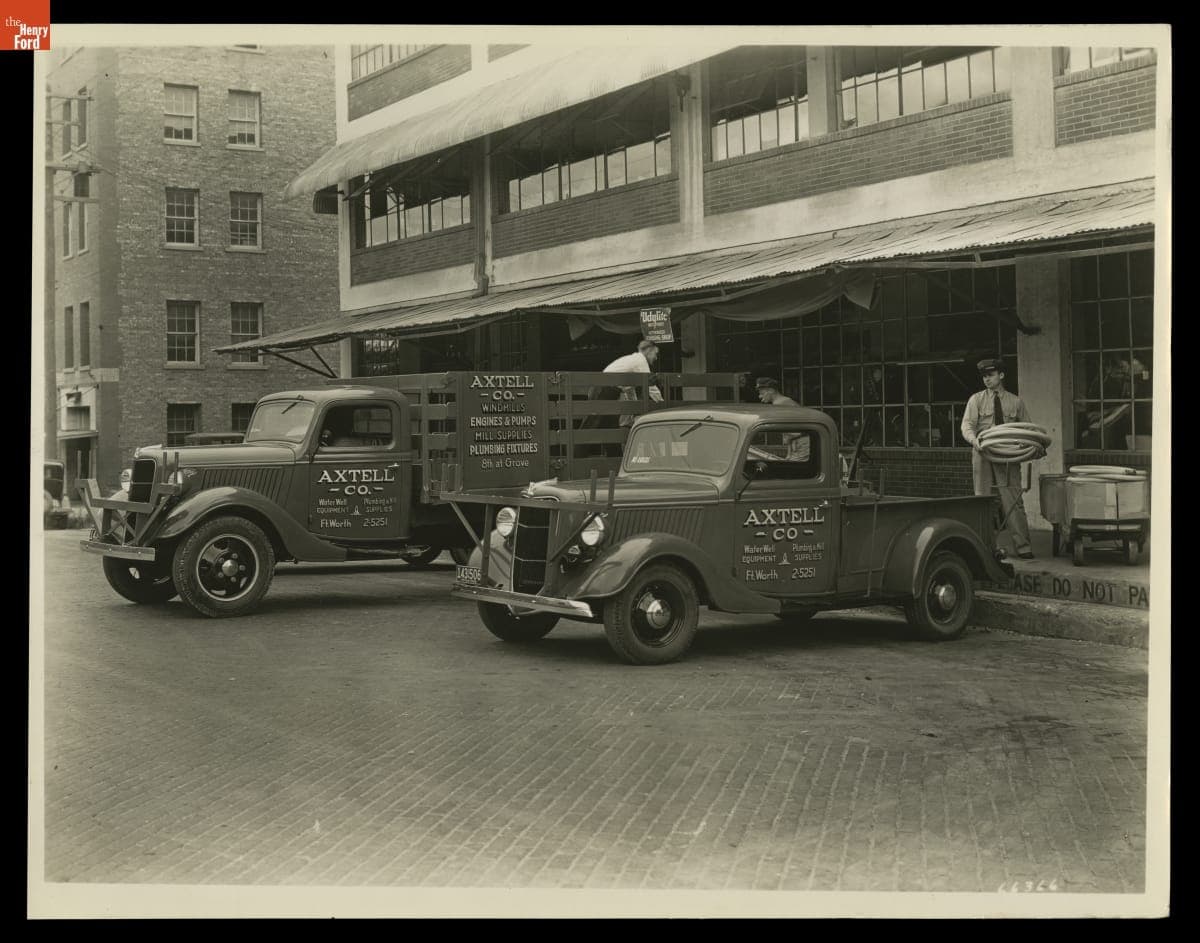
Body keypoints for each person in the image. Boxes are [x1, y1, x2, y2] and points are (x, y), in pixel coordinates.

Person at [960, 357, 1034, 560]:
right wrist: (975, 441)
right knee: (981, 500)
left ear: (1001, 375)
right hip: (982, 452)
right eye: (984, 376)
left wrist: (1020, 446)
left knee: (1013, 500)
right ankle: (983, 547)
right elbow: (967, 425)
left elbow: (1028, 429)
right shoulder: (976, 400)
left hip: (1008, 455)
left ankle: (1023, 546)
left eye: (991, 375)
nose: (987, 379)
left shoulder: (1016, 402)